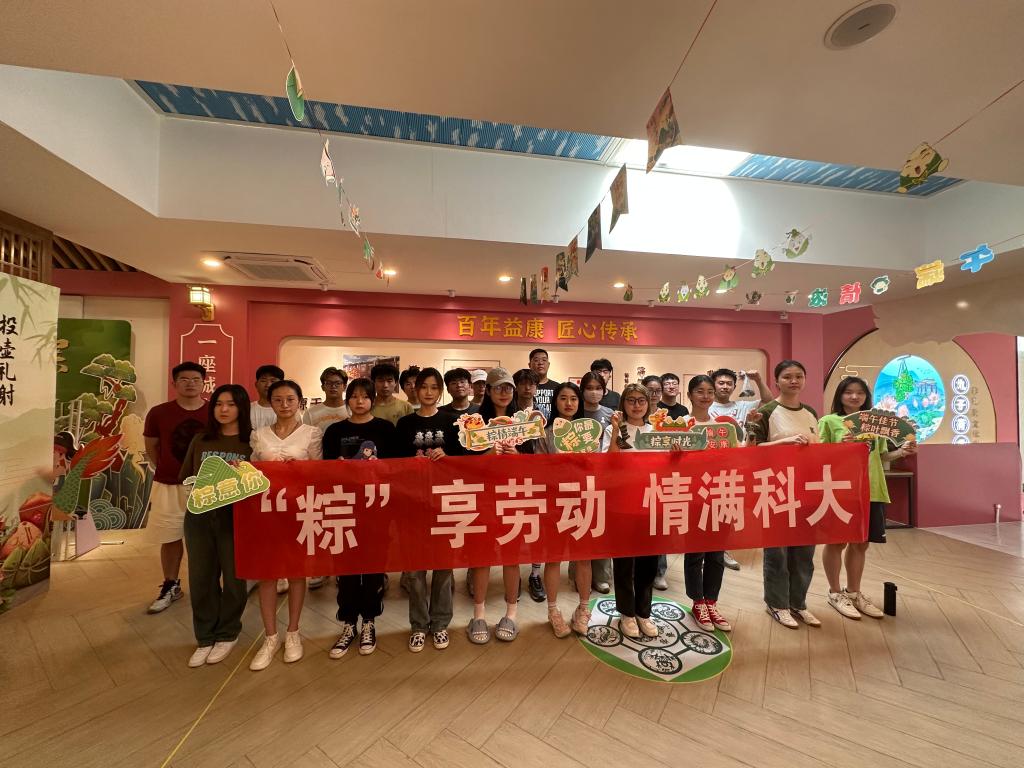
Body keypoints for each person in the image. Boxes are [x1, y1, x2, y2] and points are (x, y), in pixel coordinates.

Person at [819, 376, 917, 621]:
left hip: (872, 488)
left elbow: (882, 456)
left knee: (861, 543)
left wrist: (903, 451)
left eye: (860, 393)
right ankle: (834, 593)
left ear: (866, 396)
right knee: (836, 543)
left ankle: (853, 592)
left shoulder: (875, 423)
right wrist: (840, 446)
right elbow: (818, 457)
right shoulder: (829, 421)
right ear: (839, 396)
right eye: (848, 392)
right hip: (840, 491)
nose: (854, 397)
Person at [249, 380, 324, 670]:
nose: (284, 405)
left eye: (290, 399)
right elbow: (252, 472)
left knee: (296, 573)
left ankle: (293, 632)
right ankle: (270, 637)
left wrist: (300, 469)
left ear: (299, 401)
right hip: (267, 513)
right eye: (278, 400)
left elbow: (320, 474)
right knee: (267, 575)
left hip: (298, 511)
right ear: (270, 402)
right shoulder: (259, 435)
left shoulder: (311, 433)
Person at [178, 384, 252, 667]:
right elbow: (186, 477)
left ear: (241, 408)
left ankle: (228, 633)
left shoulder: (251, 442)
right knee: (201, 578)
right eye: (219, 404)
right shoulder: (201, 439)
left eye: (231, 404)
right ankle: (205, 636)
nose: (224, 409)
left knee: (234, 579)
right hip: (200, 516)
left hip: (235, 518)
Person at [322, 377, 396, 658]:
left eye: (365, 396)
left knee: (374, 565)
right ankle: (348, 623)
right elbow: (323, 470)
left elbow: (398, 468)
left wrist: (380, 467)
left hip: (377, 507)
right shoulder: (334, 431)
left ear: (372, 400)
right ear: (347, 399)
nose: (360, 401)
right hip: (343, 506)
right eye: (354, 396)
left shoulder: (385, 429)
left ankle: (369, 622)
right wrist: (338, 467)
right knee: (346, 567)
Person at [747, 359, 821, 630]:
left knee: (804, 551)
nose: (793, 381)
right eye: (787, 376)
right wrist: (784, 442)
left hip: (807, 488)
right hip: (774, 488)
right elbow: (752, 450)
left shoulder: (811, 412)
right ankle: (777, 604)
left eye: (799, 376)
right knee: (777, 552)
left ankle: (798, 603)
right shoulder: (766, 411)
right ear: (776, 381)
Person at [460, 367, 526, 644]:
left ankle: (511, 613)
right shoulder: (474, 422)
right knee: (482, 556)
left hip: (515, 495)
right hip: (483, 496)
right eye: (498, 387)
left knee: (512, 556)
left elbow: (537, 465)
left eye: (508, 387)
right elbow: (463, 463)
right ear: (487, 390)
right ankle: (479, 614)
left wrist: (517, 455)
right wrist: (487, 454)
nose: (504, 392)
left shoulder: (523, 422)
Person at [395, 368, 455, 652]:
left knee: (443, 568)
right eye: (423, 387)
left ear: (440, 391)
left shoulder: (451, 421)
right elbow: (394, 464)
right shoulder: (404, 423)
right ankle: (419, 625)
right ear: (415, 390)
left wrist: (448, 456)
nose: (429, 392)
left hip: (446, 503)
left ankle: (440, 623)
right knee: (415, 570)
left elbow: (465, 461)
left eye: (434, 387)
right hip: (413, 503)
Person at [143, 362, 209, 614]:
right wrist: (167, 468)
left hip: (206, 486)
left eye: (195, 379)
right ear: (174, 384)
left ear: (203, 383)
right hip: (169, 484)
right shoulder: (159, 413)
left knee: (205, 541)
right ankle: (171, 585)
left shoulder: (215, 411)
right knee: (170, 536)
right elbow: (151, 446)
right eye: (184, 379)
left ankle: (206, 587)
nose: (190, 383)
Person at [603, 383, 661, 640]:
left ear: (648, 404)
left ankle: (643, 612)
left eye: (641, 400)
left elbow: (667, 467)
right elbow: (609, 463)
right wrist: (616, 430)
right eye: (631, 400)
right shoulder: (614, 429)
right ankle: (626, 613)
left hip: (652, 502)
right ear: (623, 403)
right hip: (622, 504)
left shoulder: (656, 430)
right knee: (624, 562)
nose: (636, 405)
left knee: (649, 562)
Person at [534, 382, 592, 636]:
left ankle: (583, 609)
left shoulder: (589, 432)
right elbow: (539, 469)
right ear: (555, 402)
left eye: (573, 399)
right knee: (553, 558)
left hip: (583, 500)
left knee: (584, 557)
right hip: (554, 502)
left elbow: (597, 465)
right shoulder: (545, 434)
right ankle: (553, 611)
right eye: (563, 398)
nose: (569, 403)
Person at [681, 375, 736, 632]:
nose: (706, 396)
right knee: (695, 552)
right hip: (692, 496)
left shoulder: (722, 428)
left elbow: (734, 459)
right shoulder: (681, 425)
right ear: (690, 395)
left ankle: (711, 601)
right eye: (700, 391)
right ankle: (697, 602)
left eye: (710, 392)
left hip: (720, 493)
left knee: (716, 552)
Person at [576, 371, 613, 594]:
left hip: (603, 479)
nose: (594, 392)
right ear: (582, 391)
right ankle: (578, 574)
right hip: (577, 479)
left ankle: (602, 576)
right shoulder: (574, 412)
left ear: (604, 390)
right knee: (579, 526)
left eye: (598, 388)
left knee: (601, 528)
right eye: (589, 388)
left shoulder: (610, 414)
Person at [511, 367, 546, 602]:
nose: (527, 388)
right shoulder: (508, 413)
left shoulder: (543, 413)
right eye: (522, 383)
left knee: (537, 529)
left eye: (531, 384)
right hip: (512, 477)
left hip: (539, 477)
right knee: (514, 526)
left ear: (536, 387)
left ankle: (535, 574)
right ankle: (513, 577)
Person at [250, 365, 284, 431]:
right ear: (256, 384)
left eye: (273, 381)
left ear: (281, 385)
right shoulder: (247, 409)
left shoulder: (287, 410)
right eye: (263, 381)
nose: (268, 385)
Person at [529, 348, 559, 421]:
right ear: (529, 365)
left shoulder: (557, 387)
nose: (540, 363)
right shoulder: (526, 387)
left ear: (548, 364)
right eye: (536, 360)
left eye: (544, 360)